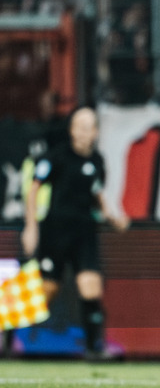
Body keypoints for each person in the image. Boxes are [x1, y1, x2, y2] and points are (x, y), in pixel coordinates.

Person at [20, 106, 130, 360]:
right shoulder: (56, 157)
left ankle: (94, 348)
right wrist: (31, 226)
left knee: (91, 287)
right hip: (55, 231)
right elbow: (34, 189)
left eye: (89, 127)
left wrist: (113, 218)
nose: (83, 132)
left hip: (84, 232)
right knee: (46, 291)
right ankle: (8, 339)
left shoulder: (97, 162)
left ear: (95, 132)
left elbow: (98, 194)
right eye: (79, 126)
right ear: (71, 130)